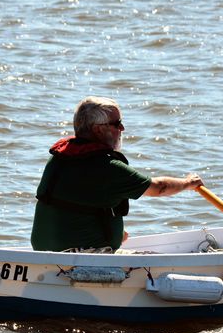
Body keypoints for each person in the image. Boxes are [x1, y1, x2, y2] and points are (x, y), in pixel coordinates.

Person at [30, 96, 204, 252]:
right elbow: (159, 188)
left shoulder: (59, 159)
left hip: (44, 252)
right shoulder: (107, 167)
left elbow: (78, 204)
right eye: (116, 123)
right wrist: (188, 183)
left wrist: (116, 232)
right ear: (98, 129)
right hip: (81, 256)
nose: (122, 128)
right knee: (152, 257)